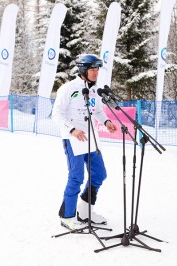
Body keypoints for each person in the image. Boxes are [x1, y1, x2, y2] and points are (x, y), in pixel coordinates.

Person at [52, 54, 118, 230]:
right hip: (73, 138)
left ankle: (85, 211)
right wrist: (72, 129)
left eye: (97, 69)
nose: (96, 72)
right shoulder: (68, 88)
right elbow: (56, 114)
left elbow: (97, 111)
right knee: (76, 177)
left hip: (90, 138)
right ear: (82, 70)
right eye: (92, 69)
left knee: (99, 174)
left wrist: (107, 121)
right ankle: (66, 216)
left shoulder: (95, 90)